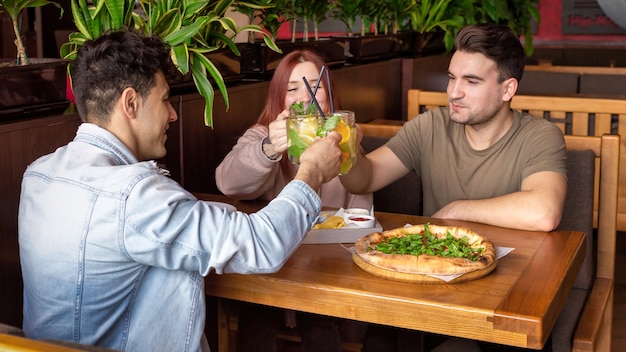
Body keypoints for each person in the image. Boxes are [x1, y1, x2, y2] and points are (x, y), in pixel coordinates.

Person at [18, 29, 344, 352]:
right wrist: (312, 173)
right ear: (130, 103)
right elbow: (260, 244)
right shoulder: (131, 195)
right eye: (164, 100)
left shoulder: (39, 174)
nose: (173, 114)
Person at [340, 24, 567, 352]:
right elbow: (366, 178)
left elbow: (544, 212)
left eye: (471, 81)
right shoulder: (429, 126)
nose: (453, 92)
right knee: (379, 337)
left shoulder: (540, 136)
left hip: (507, 297)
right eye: (452, 77)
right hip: (433, 291)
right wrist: (345, 150)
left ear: (508, 89)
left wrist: (457, 210)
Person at [216, 50, 372, 352]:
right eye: (291, 89)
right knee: (258, 314)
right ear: (278, 98)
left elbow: (361, 213)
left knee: (320, 322)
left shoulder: (344, 136)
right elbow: (227, 183)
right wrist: (269, 149)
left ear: (329, 93)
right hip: (269, 269)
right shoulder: (262, 136)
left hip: (326, 272)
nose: (304, 98)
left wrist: (350, 149)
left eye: (314, 86)